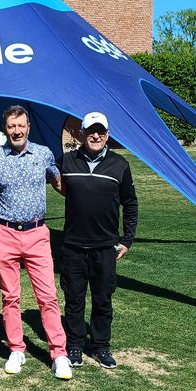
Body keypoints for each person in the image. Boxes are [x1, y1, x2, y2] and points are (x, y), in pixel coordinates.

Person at [0, 105, 72, 380]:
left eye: (21, 125)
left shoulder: (43, 154)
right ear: (5, 128)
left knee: (48, 296)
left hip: (37, 234)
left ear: (28, 127)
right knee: (10, 297)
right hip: (5, 232)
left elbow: (60, 184)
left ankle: (59, 354)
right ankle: (16, 349)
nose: (17, 130)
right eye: (11, 126)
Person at [58, 112, 138, 369]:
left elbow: (130, 203)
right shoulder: (67, 162)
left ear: (107, 134)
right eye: (90, 131)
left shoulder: (119, 165)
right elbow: (59, 187)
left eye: (100, 131)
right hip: (73, 247)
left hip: (105, 247)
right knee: (74, 300)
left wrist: (127, 239)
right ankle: (75, 345)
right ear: (81, 133)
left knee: (103, 300)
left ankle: (101, 346)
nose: (95, 135)